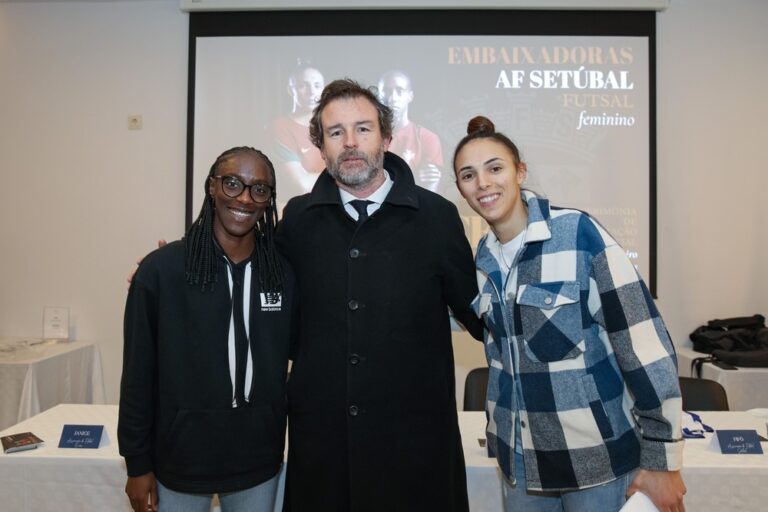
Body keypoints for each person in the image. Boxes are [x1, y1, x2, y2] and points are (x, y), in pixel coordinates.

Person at [453, 116, 686, 512]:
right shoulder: (482, 259)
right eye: (468, 175)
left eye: (495, 168)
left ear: (520, 171)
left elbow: (642, 342)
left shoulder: (577, 234)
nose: (483, 184)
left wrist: (663, 459)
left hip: (598, 466)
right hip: (521, 467)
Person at [276, 79, 483, 512]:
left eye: (363, 129)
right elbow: (264, 298)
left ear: (386, 138)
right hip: (324, 453)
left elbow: (481, 314)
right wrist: (180, 268)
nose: (350, 143)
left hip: (415, 455)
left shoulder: (437, 217)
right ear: (320, 146)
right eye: (336, 133)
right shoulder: (297, 220)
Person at [119, 147, 296, 512]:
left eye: (259, 189)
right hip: (180, 462)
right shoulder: (160, 272)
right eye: (233, 184)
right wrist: (137, 464)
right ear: (211, 187)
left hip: (258, 463)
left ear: (268, 202)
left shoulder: (283, 276)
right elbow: (137, 374)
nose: (245, 198)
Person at [377, 70, 444, 193]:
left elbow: (431, 190)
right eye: (386, 91)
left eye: (399, 91)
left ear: (410, 96)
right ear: (378, 96)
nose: (392, 98)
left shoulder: (427, 138)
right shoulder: (365, 138)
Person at [270, 61, 326, 198]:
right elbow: (301, 184)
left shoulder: (333, 126)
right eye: (303, 86)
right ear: (291, 90)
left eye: (317, 86)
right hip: (300, 208)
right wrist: (344, 179)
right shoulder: (280, 127)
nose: (311, 91)